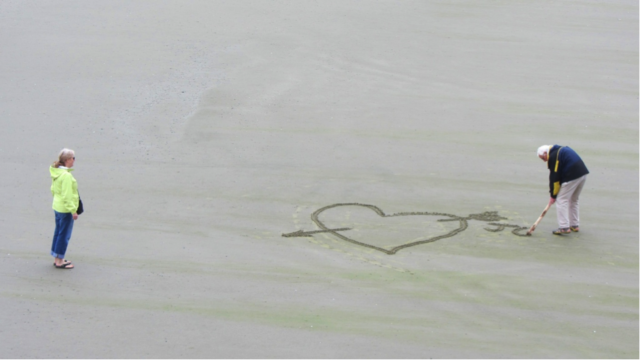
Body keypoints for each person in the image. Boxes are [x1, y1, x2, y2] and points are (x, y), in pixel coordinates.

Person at [537, 145, 589, 235]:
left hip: (573, 176)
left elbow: (555, 177)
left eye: (543, 158)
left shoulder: (553, 156)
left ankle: (564, 227)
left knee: (561, 200)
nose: (544, 161)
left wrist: (553, 196)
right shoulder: (560, 150)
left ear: (545, 153)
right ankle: (574, 225)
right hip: (582, 174)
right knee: (573, 199)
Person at [50, 148, 79, 269]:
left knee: (58, 232)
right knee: (64, 235)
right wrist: (73, 210)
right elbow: (67, 195)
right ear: (67, 160)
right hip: (65, 209)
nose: (74, 160)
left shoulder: (56, 171)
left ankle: (57, 257)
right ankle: (60, 261)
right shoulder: (66, 176)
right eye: (73, 158)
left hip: (57, 206)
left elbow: (53, 189)